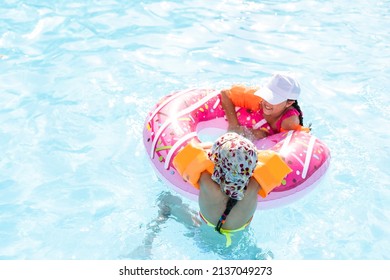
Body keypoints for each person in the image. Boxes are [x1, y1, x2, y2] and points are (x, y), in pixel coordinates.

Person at [173, 132, 291, 246]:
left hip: (205, 236)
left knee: (169, 201)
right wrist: (251, 153)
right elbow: (281, 158)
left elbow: (186, 153)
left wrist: (212, 146)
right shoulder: (254, 185)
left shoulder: (205, 180)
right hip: (239, 239)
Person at [220, 72, 309, 140]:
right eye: (267, 95)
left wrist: (262, 135)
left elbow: (283, 146)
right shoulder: (257, 98)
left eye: (274, 99)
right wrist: (234, 125)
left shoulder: (289, 122)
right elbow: (225, 93)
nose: (267, 102)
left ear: (289, 103)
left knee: (261, 135)